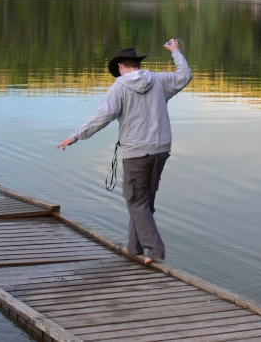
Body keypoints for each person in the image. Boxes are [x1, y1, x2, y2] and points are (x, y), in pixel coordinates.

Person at [57, 40, 192, 264]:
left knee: (135, 201)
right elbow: (185, 75)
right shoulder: (159, 80)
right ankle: (134, 248)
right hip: (161, 150)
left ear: (120, 66)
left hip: (137, 153)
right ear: (137, 64)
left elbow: (101, 118)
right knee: (144, 202)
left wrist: (75, 137)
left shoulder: (119, 87)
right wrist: (176, 52)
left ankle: (155, 249)